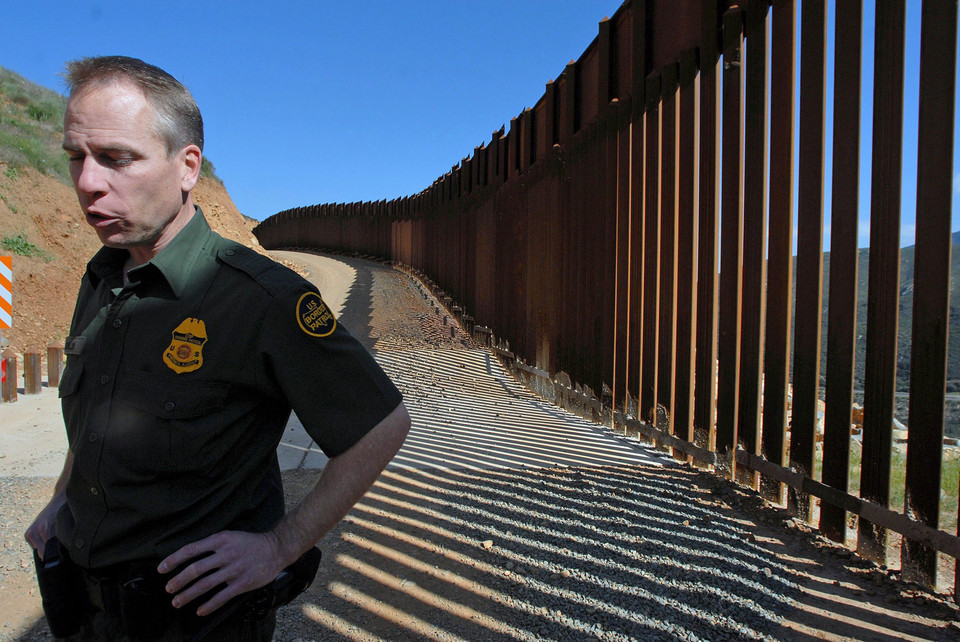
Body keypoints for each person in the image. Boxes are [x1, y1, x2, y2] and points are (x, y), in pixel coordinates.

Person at [24, 55, 410, 640]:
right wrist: (61, 498)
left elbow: (381, 425)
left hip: (196, 623)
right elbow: (99, 414)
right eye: (77, 157)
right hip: (84, 612)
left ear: (187, 167)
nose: (87, 182)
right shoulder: (104, 280)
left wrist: (279, 546)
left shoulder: (261, 298)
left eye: (117, 158)